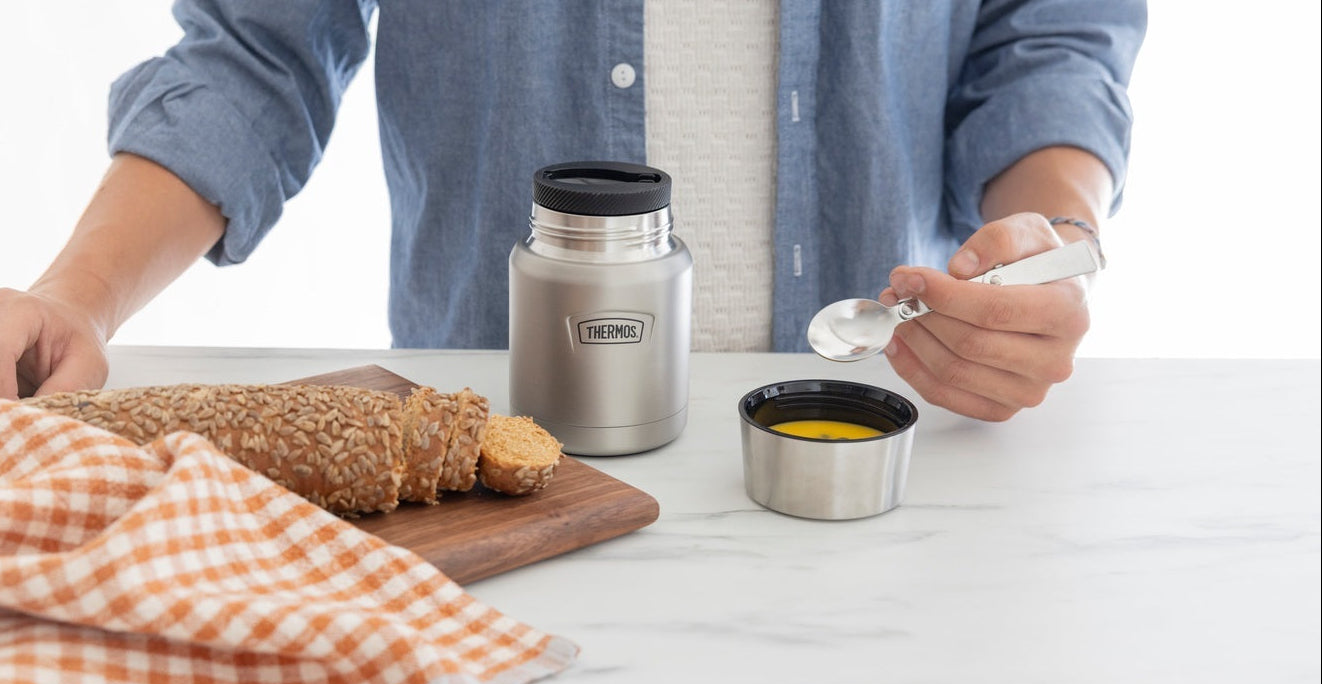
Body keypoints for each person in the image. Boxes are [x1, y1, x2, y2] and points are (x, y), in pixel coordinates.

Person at [0, 1, 1146, 422]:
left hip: (880, 437)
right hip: (490, 459)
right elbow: (256, 52)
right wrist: (77, 300)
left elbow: (1048, 39)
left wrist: (1046, 248)